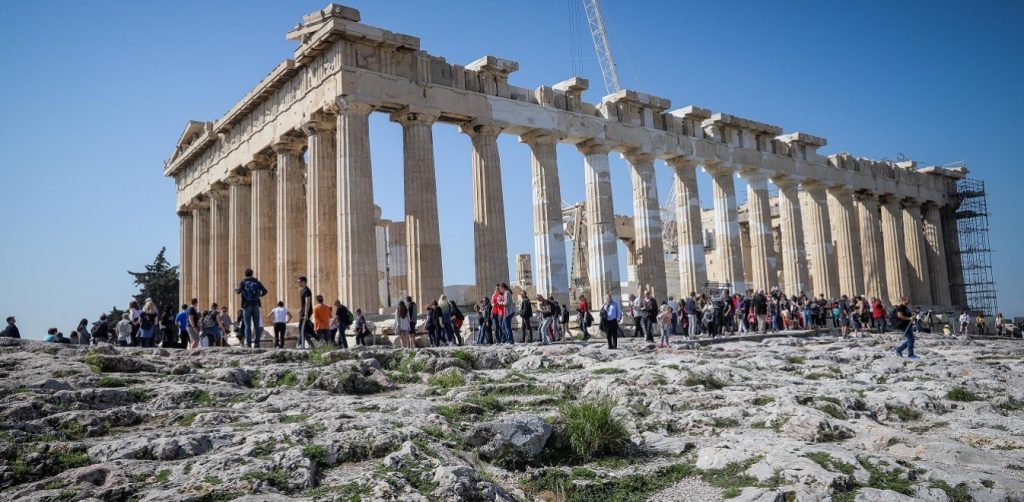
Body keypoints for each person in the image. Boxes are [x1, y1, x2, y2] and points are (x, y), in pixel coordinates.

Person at [235, 268, 268, 348]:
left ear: (245, 274)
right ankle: (257, 343)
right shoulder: (256, 281)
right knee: (256, 325)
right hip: (256, 304)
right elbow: (265, 291)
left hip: (246, 305)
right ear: (252, 273)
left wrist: (235, 290)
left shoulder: (243, 281)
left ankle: (248, 343)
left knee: (247, 325)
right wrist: (259, 296)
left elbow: (238, 291)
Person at [893, 295, 918, 359]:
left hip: (908, 325)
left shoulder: (906, 307)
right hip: (903, 325)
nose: (909, 300)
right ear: (904, 300)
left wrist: (912, 316)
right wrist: (909, 318)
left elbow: (908, 315)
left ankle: (899, 350)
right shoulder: (900, 307)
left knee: (910, 339)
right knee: (910, 339)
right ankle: (910, 354)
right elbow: (900, 315)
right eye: (908, 299)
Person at [297, 277, 313, 349]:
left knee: (301, 327)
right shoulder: (302, 291)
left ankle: (302, 344)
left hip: (307, 311)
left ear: (304, 282)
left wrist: (306, 313)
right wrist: (301, 309)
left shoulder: (307, 290)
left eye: (300, 281)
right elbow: (303, 303)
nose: (298, 283)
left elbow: (307, 302)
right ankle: (318, 340)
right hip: (304, 311)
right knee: (306, 328)